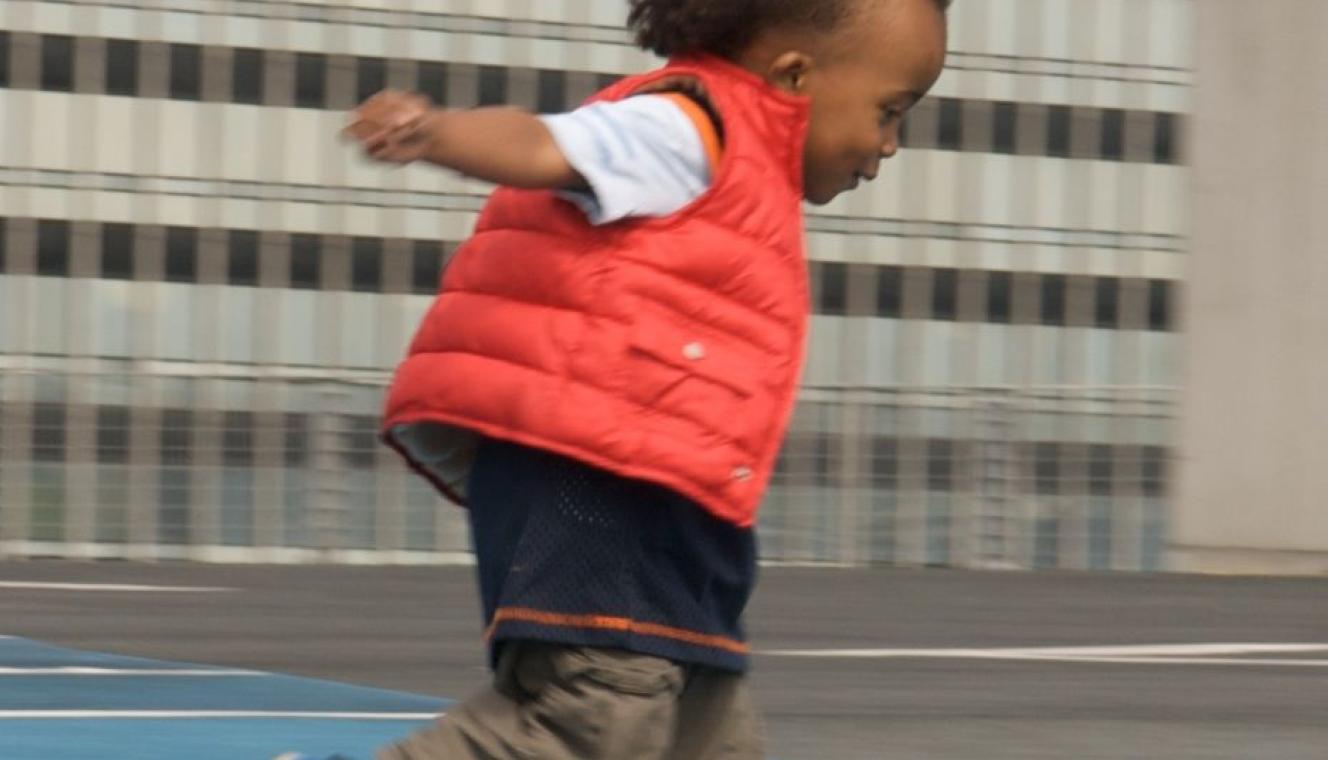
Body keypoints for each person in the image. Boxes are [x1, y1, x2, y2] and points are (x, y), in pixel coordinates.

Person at [282, 0, 948, 758]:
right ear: (793, 76)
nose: (890, 145)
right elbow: (546, 145)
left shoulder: (742, 171)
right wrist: (436, 131)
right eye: (888, 112)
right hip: (596, 488)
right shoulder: (687, 128)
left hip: (676, 501)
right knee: (596, 713)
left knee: (702, 729)